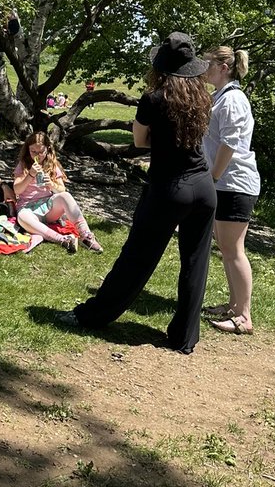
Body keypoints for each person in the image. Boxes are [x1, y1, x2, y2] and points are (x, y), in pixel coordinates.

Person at [59, 32, 216, 354]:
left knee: (137, 257)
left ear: (160, 67)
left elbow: (141, 141)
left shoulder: (154, 98)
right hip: (204, 187)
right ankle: (185, 337)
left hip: (169, 187)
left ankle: (91, 315)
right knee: (196, 261)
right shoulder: (203, 97)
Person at [202, 46, 260, 336]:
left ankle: (244, 316)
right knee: (226, 249)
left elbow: (231, 143)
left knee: (234, 250)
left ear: (224, 66)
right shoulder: (221, 97)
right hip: (224, 183)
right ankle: (234, 305)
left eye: (208, 63)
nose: (204, 67)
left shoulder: (233, 99)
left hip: (234, 184)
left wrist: (213, 176)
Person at [13, 130, 102, 252]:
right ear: (28, 149)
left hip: (47, 206)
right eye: (33, 151)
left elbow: (61, 189)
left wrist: (51, 184)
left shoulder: (51, 165)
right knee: (22, 217)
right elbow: (17, 190)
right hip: (28, 208)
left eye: (41, 152)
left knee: (65, 196)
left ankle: (86, 235)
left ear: (48, 149)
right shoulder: (23, 164)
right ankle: (62, 239)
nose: (37, 155)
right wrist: (30, 175)